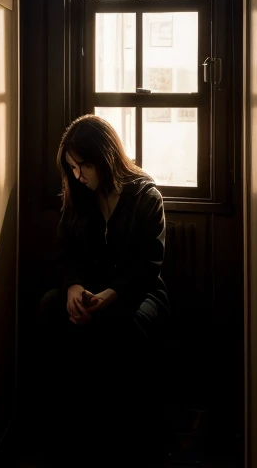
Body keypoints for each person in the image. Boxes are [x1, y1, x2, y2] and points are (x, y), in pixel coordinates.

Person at [34, 113, 171, 465]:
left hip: (138, 292)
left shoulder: (145, 197)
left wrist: (112, 295)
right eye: (73, 168)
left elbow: (148, 266)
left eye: (84, 167)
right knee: (49, 308)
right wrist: (73, 288)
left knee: (125, 326)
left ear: (105, 159)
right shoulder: (79, 195)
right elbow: (65, 252)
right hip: (90, 289)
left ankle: (125, 436)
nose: (78, 176)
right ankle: (69, 427)